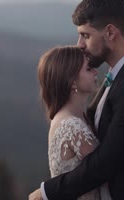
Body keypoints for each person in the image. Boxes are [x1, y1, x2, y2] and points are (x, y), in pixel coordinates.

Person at [29, 0, 124, 200]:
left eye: (86, 35)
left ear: (110, 32)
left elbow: (105, 162)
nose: (79, 44)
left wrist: (47, 192)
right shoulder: (118, 76)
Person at [37, 46, 111, 200]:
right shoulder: (71, 126)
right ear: (72, 82)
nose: (96, 72)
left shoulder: (73, 116)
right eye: (89, 69)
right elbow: (106, 167)